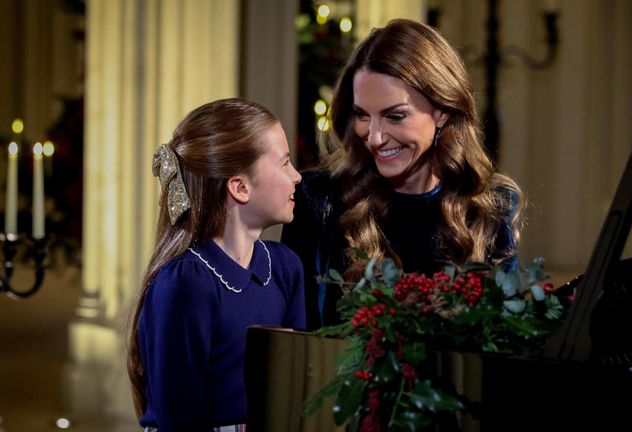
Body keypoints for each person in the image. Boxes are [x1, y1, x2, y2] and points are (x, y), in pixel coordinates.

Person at [281, 18, 524, 330]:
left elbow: (506, 341)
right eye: (362, 115)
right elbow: (298, 339)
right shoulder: (319, 200)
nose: (375, 137)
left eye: (395, 116)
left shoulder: (489, 206)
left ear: (443, 111)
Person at [127, 98, 305, 431]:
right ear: (240, 187)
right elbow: (181, 420)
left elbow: (292, 390)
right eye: (284, 163)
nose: (297, 177)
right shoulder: (187, 282)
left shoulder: (284, 266)